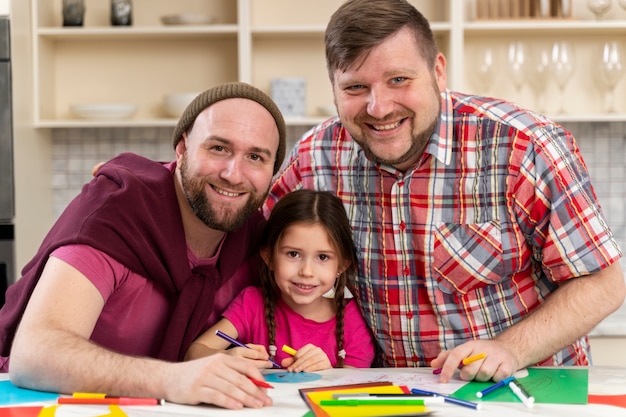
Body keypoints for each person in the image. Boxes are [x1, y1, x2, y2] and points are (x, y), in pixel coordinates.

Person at [265, 0, 626, 384]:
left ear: (438, 72)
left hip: (532, 384)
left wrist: (510, 348)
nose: (379, 106)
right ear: (335, 90)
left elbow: (603, 283)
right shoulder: (314, 158)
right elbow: (250, 249)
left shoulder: (524, 147)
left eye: (399, 80)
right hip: (397, 396)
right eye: (355, 87)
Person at [0, 82, 288, 409]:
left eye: (255, 157)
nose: (234, 175)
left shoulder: (253, 236)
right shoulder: (116, 214)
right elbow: (35, 353)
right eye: (218, 148)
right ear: (182, 150)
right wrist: (173, 378)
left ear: (271, 172)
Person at [185, 189, 376, 372]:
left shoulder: (352, 319)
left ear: (341, 265)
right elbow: (193, 353)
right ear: (269, 257)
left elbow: (353, 390)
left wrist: (328, 373)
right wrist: (228, 358)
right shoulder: (252, 304)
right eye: (293, 254)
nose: (307, 271)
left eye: (323, 257)